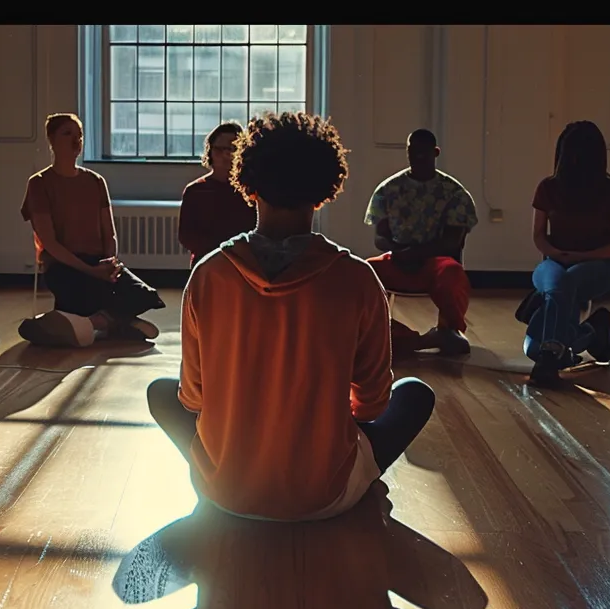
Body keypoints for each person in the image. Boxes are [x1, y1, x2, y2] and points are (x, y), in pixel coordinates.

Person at [145, 110, 437, 522]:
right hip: (323, 497)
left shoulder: (208, 274)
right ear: (325, 190)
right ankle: (349, 478)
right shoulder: (357, 278)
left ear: (246, 185)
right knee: (416, 394)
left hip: (224, 491)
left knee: (160, 391)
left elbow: (193, 399)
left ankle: (228, 472)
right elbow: (371, 406)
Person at [18, 113, 165, 347]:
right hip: (64, 265)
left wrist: (109, 262)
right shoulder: (40, 183)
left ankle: (97, 323)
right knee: (84, 297)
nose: (76, 140)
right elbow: (50, 243)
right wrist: (89, 270)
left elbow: (110, 233)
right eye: (67, 134)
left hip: (98, 262)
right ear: (52, 140)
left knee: (145, 295)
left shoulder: (96, 181)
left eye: (80, 135)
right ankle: (116, 321)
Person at [523, 121, 610, 385]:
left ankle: (551, 355)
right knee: (531, 349)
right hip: (554, 261)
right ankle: (592, 333)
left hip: (599, 265)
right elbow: (538, 235)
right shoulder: (548, 188)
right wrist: (556, 253)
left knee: (564, 284)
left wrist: (584, 256)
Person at [363, 129, 477, 356]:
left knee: (452, 272)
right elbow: (380, 237)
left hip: (435, 263)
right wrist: (399, 251)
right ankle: (392, 333)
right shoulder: (388, 190)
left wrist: (416, 253)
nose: (418, 158)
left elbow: (453, 242)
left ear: (435, 152)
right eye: (412, 152)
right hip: (398, 259)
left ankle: (449, 328)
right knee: (363, 272)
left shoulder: (454, 193)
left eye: (423, 153)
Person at [177, 122, 257, 266]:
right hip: (207, 263)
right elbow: (186, 236)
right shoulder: (195, 191)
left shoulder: (251, 190)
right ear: (210, 151)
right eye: (220, 149)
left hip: (244, 264)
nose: (226, 154)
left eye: (233, 149)